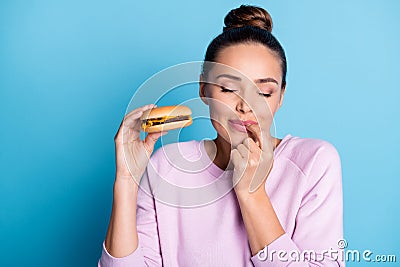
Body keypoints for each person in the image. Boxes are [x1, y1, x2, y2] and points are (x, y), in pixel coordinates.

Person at [98, 4, 344, 267]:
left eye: (264, 93)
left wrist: (252, 194)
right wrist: (126, 180)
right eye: (228, 88)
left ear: (281, 96)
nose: (245, 106)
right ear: (204, 89)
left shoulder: (314, 162)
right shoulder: (167, 166)